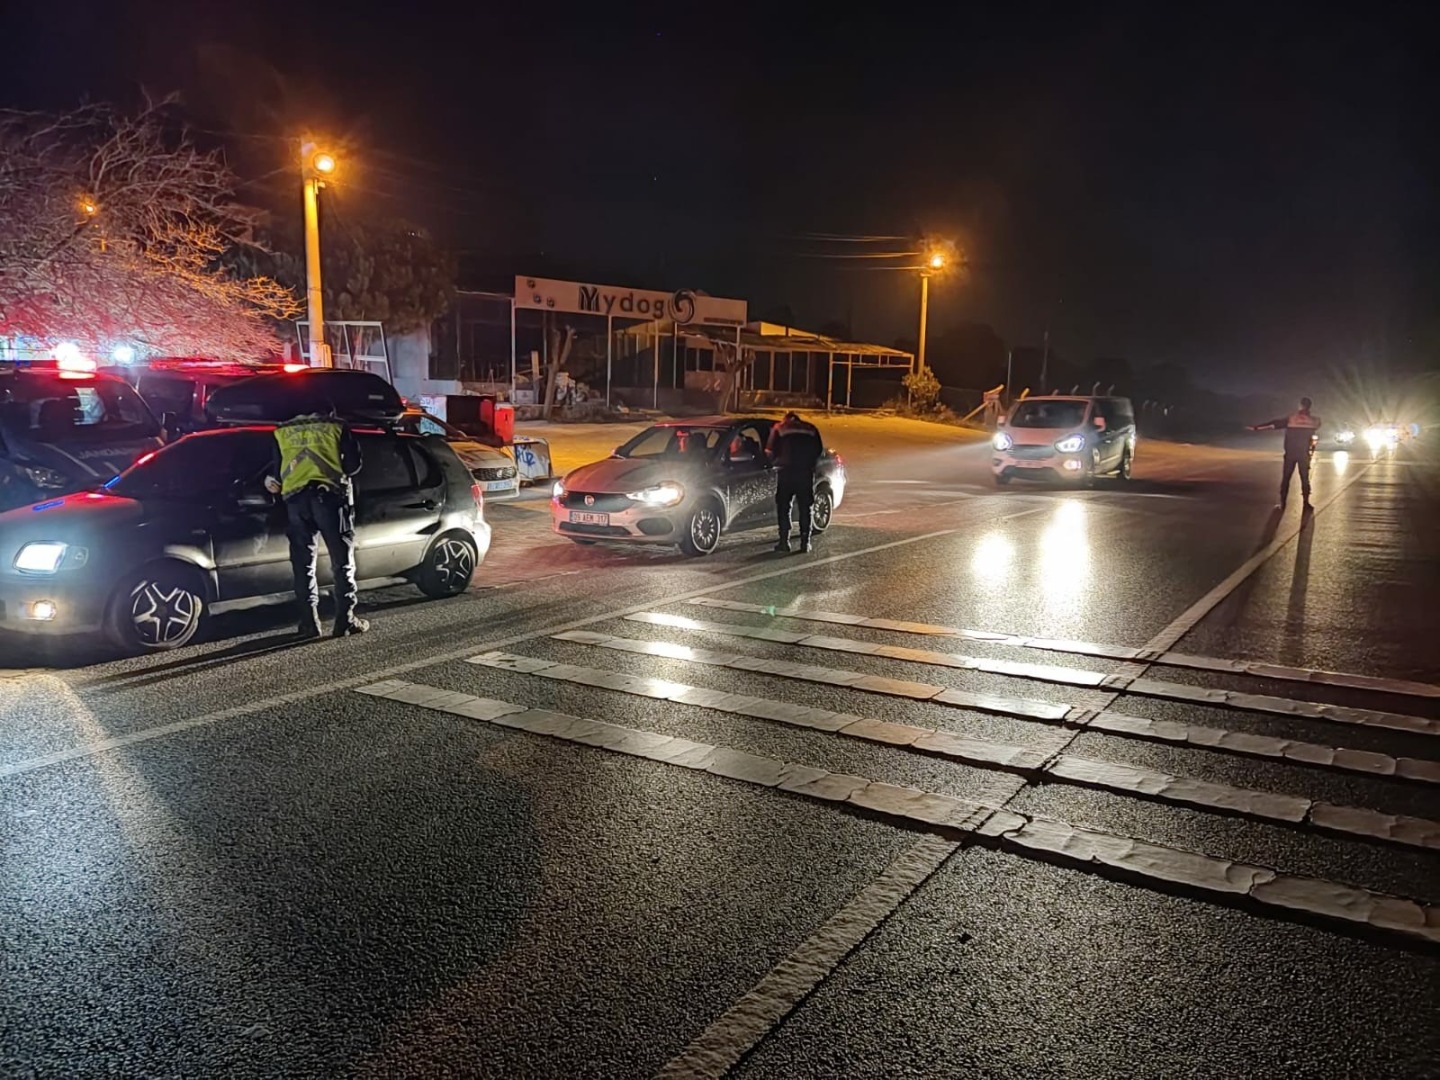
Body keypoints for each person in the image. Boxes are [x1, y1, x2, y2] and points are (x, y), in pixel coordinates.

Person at [265, 406, 367, 638]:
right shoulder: (337, 427)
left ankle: (309, 623)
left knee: (303, 565)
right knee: (341, 562)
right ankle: (345, 620)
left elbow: (277, 471)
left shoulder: (281, 431)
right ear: (327, 409)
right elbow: (353, 466)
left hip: (295, 501)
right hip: (329, 498)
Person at [766, 411, 825, 553]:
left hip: (786, 472)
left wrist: (773, 463)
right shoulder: (810, 428)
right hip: (804, 473)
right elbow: (819, 450)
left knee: (784, 507)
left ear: (786, 419)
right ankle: (805, 542)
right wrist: (810, 464)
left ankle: (784, 542)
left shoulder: (779, 428)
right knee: (806, 508)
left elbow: (769, 450)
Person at [1249, 397, 1322, 511]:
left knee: (1286, 478)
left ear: (1301, 405)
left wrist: (1256, 428)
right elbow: (1315, 433)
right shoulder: (1314, 420)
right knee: (1305, 478)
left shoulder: (1291, 419)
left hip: (1290, 454)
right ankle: (1306, 503)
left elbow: (1273, 424)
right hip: (1304, 454)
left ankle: (1283, 503)